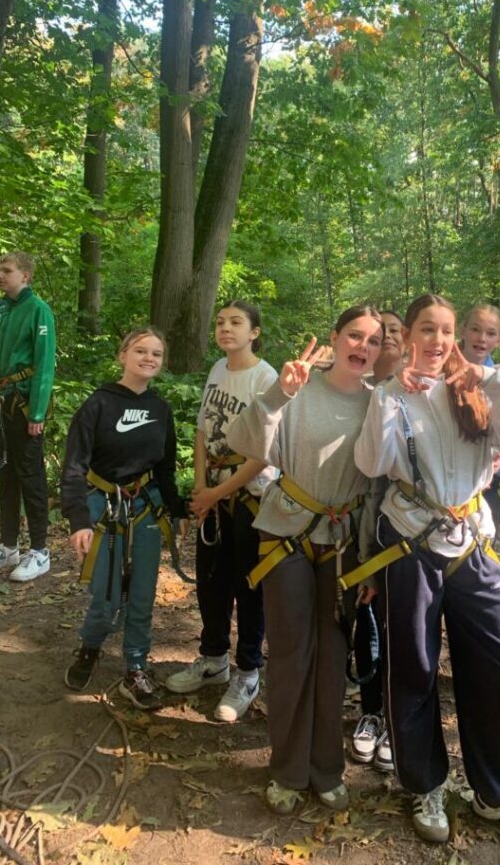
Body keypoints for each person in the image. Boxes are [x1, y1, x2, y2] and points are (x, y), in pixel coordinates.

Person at [353, 294, 500, 848]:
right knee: (413, 668)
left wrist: (492, 380)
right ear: (408, 336)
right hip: (410, 542)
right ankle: (425, 785)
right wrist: (390, 395)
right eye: (427, 329)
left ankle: (499, 794)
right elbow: (371, 463)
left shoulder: (477, 389)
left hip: (470, 543)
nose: (438, 340)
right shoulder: (391, 394)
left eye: (446, 331)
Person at [227, 306, 384, 815]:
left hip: (344, 544)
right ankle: (288, 771)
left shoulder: (379, 403)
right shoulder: (297, 389)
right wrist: (280, 394)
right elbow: (242, 441)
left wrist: (370, 559)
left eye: (374, 341)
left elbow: (379, 485)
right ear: (334, 338)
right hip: (287, 532)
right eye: (354, 336)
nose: (362, 347)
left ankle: (327, 769)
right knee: (292, 653)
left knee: (334, 655)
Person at [61, 327, 185, 709]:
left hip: (145, 507)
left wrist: (176, 510)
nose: (149, 358)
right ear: (123, 355)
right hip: (102, 509)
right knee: (106, 594)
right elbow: (74, 467)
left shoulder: (161, 409)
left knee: (143, 593)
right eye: (141, 351)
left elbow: (165, 468)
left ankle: (135, 666)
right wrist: (79, 520)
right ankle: (90, 645)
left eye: (156, 354)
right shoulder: (98, 404)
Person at [166, 301, 278, 722]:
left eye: (236, 322)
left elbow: (264, 454)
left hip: (249, 498)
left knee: (249, 587)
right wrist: (201, 487)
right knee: (211, 581)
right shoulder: (217, 369)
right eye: (220, 322)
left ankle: (247, 672)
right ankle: (213, 659)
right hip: (213, 494)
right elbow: (202, 429)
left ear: (254, 332)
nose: (226, 328)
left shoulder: (266, 378)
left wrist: (216, 493)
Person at [351, 309, 405, 773]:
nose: (386, 337)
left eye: (394, 330)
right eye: (378, 331)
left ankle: (396, 716)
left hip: (407, 528)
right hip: (357, 524)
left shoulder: (421, 388)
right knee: (365, 620)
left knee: (404, 625)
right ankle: (370, 710)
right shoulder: (357, 389)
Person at [0, 252, 56, 582]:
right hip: (0, 402)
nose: (0, 275)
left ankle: (40, 551)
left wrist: (37, 411)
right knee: (5, 474)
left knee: (30, 476)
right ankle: (9, 546)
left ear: (25, 275)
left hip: (25, 406)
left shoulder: (38, 310)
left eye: (7, 270)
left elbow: (44, 364)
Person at [459, 303, 500, 527]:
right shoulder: (439, 369)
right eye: (475, 329)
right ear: (462, 330)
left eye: (490, 334)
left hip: (484, 490)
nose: (482, 338)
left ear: (499, 340)